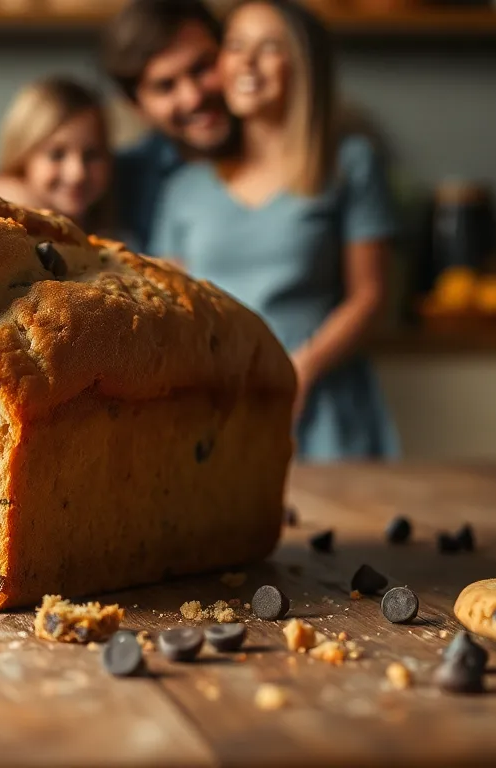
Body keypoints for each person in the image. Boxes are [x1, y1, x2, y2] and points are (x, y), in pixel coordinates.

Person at [150, 0, 398, 462]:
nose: (246, 62)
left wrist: (302, 369)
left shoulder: (350, 164)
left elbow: (370, 295)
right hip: (217, 404)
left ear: (304, 66)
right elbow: (171, 305)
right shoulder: (184, 188)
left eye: (269, 48)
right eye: (235, 46)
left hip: (322, 401)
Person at [100, 0, 235, 253]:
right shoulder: (121, 182)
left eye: (201, 68)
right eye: (165, 86)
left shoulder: (294, 149)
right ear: (136, 106)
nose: (193, 97)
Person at [0, 77, 114, 236]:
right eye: (56, 155)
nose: (77, 173)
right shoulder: (6, 207)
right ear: (23, 155)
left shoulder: (113, 219)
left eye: (91, 155)